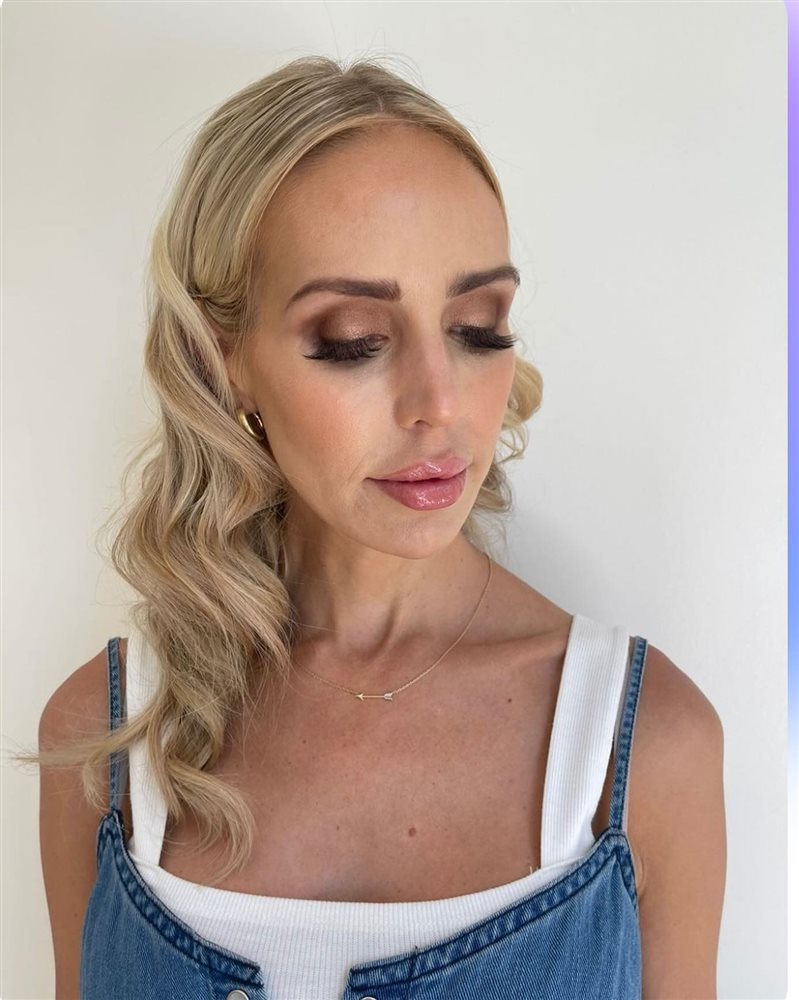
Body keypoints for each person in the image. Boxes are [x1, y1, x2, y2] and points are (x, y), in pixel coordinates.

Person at [31, 54, 726, 999]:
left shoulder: (639, 747)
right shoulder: (107, 737)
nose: (439, 402)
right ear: (225, 357)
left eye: (478, 328)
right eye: (352, 341)